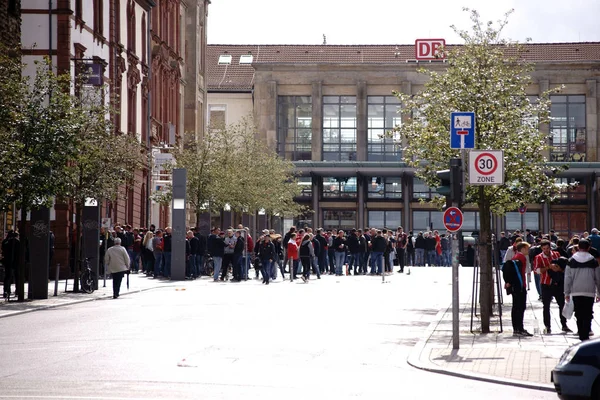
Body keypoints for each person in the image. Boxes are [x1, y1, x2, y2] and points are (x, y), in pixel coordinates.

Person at [565, 239, 600, 341]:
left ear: (578, 247)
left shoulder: (571, 261)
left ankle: (581, 333)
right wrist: (599, 293)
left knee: (579, 313)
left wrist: (566, 292)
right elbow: (598, 278)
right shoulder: (593, 261)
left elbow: (567, 278)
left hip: (576, 291)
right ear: (588, 247)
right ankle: (586, 334)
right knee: (588, 313)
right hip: (589, 291)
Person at [533, 240, 567, 334]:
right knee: (546, 306)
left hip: (558, 284)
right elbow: (536, 271)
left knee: (561, 304)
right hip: (546, 284)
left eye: (547, 248)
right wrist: (548, 267)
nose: (546, 250)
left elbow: (563, 266)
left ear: (550, 247)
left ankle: (564, 324)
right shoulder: (538, 257)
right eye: (544, 249)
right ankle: (547, 326)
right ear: (541, 248)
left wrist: (558, 268)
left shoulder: (556, 254)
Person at [503, 242, 533, 337]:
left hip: (516, 286)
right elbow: (517, 273)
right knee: (520, 307)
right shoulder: (521, 257)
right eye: (527, 248)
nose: (528, 250)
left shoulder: (516, 256)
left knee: (516, 307)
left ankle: (516, 329)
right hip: (519, 286)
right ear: (523, 248)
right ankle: (519, 328)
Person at [2, 231, 20, 299]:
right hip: (16, 261)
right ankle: (17, 290)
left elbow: (3, 250)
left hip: (7, 261)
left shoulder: (5, 242)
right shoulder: (18, 242)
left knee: (7, 276)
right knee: (17, 276)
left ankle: (6, 291)